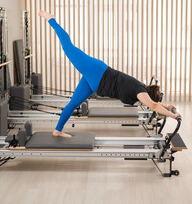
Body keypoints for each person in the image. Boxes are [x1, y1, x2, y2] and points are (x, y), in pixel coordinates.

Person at [38, 11, 181, 138]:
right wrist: (174, 115)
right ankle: (51, 19)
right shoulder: (140, 91)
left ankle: (57, 130)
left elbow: (155, 104)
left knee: (73, 103)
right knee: (69, 47)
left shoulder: (142, 89)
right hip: (98, 72)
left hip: (96, 83)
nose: (149, 103)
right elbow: (154, 105)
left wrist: (167, 107)